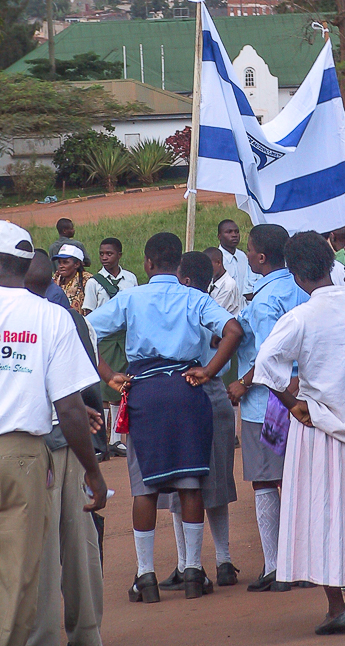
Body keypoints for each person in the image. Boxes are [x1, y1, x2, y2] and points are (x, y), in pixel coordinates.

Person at [253, 231, 345, 634]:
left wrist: (293, 404)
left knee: (321, 513)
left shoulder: (300, 317)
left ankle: (337, 606)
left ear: (295, 275)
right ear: (332, 263)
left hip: (318, 427)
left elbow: (265, 366)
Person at [87, 232, 243, 603]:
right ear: (179, 265)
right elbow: (234, 330)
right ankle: (192, 571)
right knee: (190, 483)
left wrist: (109, 375)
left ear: (148, 263)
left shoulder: (131, 297)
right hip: (188, 389)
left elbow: (85, 330)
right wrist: (208, 370)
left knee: (146, 486)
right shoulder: (195, 297)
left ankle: (146, 576)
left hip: (145, 391)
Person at [0, 220, 107, 646]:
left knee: (25, 564)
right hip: (30, 452)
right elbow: (75, 404)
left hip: (44, 448)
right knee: (26, 568)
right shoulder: (54, 317)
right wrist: (95, 464)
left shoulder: (58, 315)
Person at [24, 251, 110, 646]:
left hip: (20, 445)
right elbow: (83, 387)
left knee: (35, 547)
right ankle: (86, 634)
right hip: (64, 440)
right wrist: (92, 437)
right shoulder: (63, 317)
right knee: (79, 544)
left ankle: (40, 635)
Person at [227, 224, 309, 592]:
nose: (245, 254)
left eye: (248, 249)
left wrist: (241, 384)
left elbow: (267, 355)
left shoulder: (264, 300)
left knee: (265, 479)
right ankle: (307, 562)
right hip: (303, 395)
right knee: (298, 480)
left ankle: (276, 565)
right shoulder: (301, 287)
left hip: (267, 402)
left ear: (260, 258)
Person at [160, 252, 239, 591]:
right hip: (216, 392)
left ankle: (186, 563)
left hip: (185, 393)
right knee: (217, 482)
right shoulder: (215, 309)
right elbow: (235, 335)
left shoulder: (183, 306)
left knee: (182, 483)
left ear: (186, 280)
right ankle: (223, 560)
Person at [82, 238, 138, 457]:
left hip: (124, 337)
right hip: (104, 338)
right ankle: (103, 440)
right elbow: (89, 312)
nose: (105, 258)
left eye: (109, 254)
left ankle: (116, 438)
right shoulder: (94, 282)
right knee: (105, 387)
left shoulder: (130, 278)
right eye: (102, 254)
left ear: (119, 255)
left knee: (121, 385)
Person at [218, 219, 256, 306]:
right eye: (229, 232)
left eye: (236, 232)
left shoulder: (243, 256)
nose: (234, 235)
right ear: (219, 236)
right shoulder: (216, 259)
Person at [53, 244, 93, 314]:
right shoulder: (56, 278)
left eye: (65, 262)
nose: (61, 266)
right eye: (59, 263)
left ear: (76, 264)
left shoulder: (87, 281)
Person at [204, 247, 241, 315]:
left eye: (209, 266)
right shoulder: (212, 280)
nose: (206, 270)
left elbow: (213, 312)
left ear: (218, 263)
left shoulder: (228, 285)